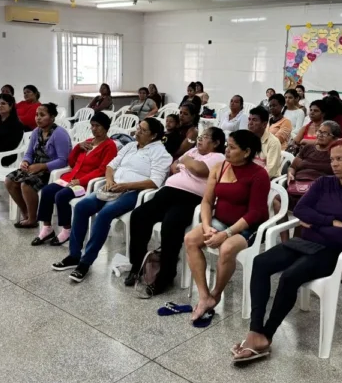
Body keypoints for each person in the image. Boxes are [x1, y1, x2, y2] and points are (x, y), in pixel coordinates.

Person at [232, 139, 342, 363]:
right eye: (332, 159)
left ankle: (266, 336)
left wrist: (316, 223)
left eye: (340, 159)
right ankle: (255, 330)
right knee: (260, 263)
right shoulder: (324, 183)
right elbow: (300, 209)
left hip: (334, 253)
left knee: (290, 277)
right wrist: (332, 222)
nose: (334, 164)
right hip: (304, 243)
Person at [51, 118, 172, 282]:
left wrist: (125, 186)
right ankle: (74, 256)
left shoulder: (161, 153)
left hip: (133, 192)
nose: (137, 132)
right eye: (138, 128)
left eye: (143, 131)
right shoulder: (130, 146)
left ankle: (86, 262)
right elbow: (110, 166)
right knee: (81, 207)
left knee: (104, 214)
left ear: (153, 135)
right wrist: (109, 181)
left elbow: (155, 182)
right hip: (112, 187)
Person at [126, 127, 227, 296]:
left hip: (191, 198)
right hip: (169, 191)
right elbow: (173, 167)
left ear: (216, 143)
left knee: (170, 225)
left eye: (205, 137)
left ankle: (166, 275)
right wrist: (187, 162)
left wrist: (186, 161)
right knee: (139, 216)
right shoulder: (194, 151)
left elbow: (199, 169)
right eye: (200, 137)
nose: (200, 140)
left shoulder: (218, 157)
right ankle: (137, 265)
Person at [185, 130, 271, 323]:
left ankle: (215, 294)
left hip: (249, 226)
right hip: (220, 221)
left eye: (232, 147)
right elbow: (207, 202)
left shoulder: (259, 174)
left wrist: (226, 234)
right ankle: (204, 295)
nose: (227, 150)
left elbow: (255, 212)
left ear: (247, 151)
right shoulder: (220, 167)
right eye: (227, 146)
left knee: (227, 249)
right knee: (190, 239)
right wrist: (207, 227)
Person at [32, 111, 117, 246]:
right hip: (69, 178)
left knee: (61, 196)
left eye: (97, 126)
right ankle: (47, 228)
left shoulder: (110, 145)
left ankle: (67, 230)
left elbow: (102, 170)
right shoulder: (89, 142)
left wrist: (81, 181)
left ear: (106, 128)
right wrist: (78, 147)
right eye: (92, 125)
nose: (94, 129)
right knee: (47, 191)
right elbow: (71, 162)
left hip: (85, 184)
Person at [5, 103, 72, 228]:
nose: (38, 118)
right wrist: (25, 161)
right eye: (36, 115)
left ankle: (32, 219)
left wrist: (42, 166)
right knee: (9, 181)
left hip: (51, 171)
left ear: (52, 117)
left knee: (26, 184)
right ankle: (27, 213)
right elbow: (29, 152)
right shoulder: (36, 132)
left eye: (42, 115)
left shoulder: (59, 134)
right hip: (35, 167)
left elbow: (63, 160)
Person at [286, 120, 340, 208]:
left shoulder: (336, 153)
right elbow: (292, 167)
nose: (320, 135)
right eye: (319, 131)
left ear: (335, 138)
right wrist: (290, 174)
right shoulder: (308, 148)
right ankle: (285, 222)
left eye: (325, 133)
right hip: (297, 187)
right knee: (276, 199)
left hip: (318, 192)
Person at [247, 105, 282, 179]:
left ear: (264, 124)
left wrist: (250, 179)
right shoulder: (246, 137)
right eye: (249, 119)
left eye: (254, 120)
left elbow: (270, 171)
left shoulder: (273, 142)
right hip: (248, 176)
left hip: (265, 180)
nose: (250, 123)